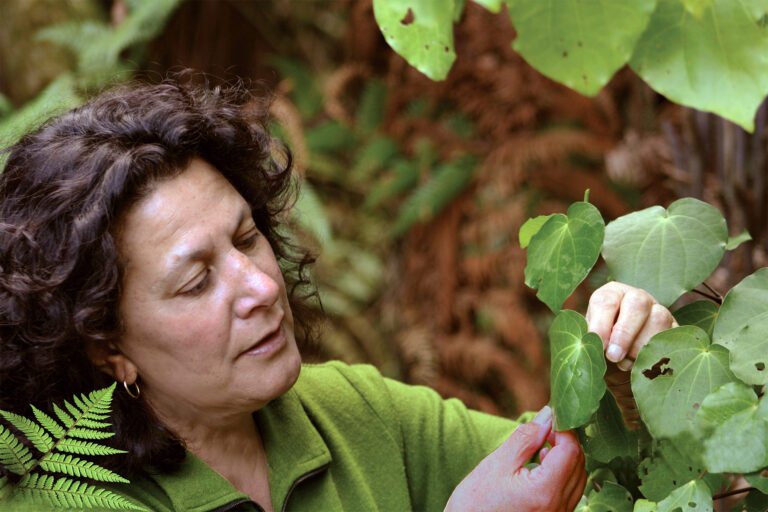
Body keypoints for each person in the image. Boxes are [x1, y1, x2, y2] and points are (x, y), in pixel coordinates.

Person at [0, 78, 675, 511]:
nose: (260, 286)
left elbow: (587, 478)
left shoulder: (351, 411)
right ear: (106, 346)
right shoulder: (61, 498)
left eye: (246, 238)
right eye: (197, 281)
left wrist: (630, 384)